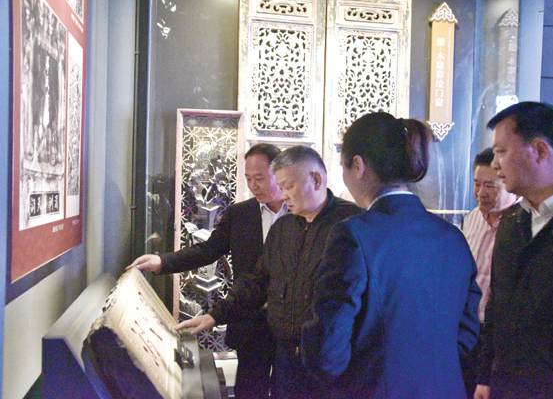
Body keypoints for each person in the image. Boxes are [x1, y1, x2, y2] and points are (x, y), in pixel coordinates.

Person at [301, 112, 481, 398]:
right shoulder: (453, 237)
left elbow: (327, 351)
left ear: (358, 166)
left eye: (343, 168)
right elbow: (467, 331)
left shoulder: (354, 235)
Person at [175, 145, 362, 399]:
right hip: (286, 358)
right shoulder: (284, 227)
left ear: (316, 180)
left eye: (288, 186)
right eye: (280, 186)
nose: (283, 195)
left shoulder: (353, 223)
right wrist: (215, 315)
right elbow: (257, 281)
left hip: (331, 359)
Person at [128, 143, 286, 399]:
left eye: (259, 178)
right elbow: (207, 251)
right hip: (249, 320)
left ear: (279, 172)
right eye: (248, 178)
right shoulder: (240, 214)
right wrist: (162, 262)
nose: (253, 186)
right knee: (249, 390)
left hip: (290, 326)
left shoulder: (301, 214)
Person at [475, 102, 553, 399]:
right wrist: (486, 376)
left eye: (501, 151)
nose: (495, 164)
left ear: (540, 150)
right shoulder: (513, 221)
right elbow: (498, 307)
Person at [461, 148, 518, 396]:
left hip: (497, 334)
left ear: (508, 183)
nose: (480, 193)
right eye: (476, 184)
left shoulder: (521, 225)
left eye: (490, 186)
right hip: (466, 327)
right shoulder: (473, 217)